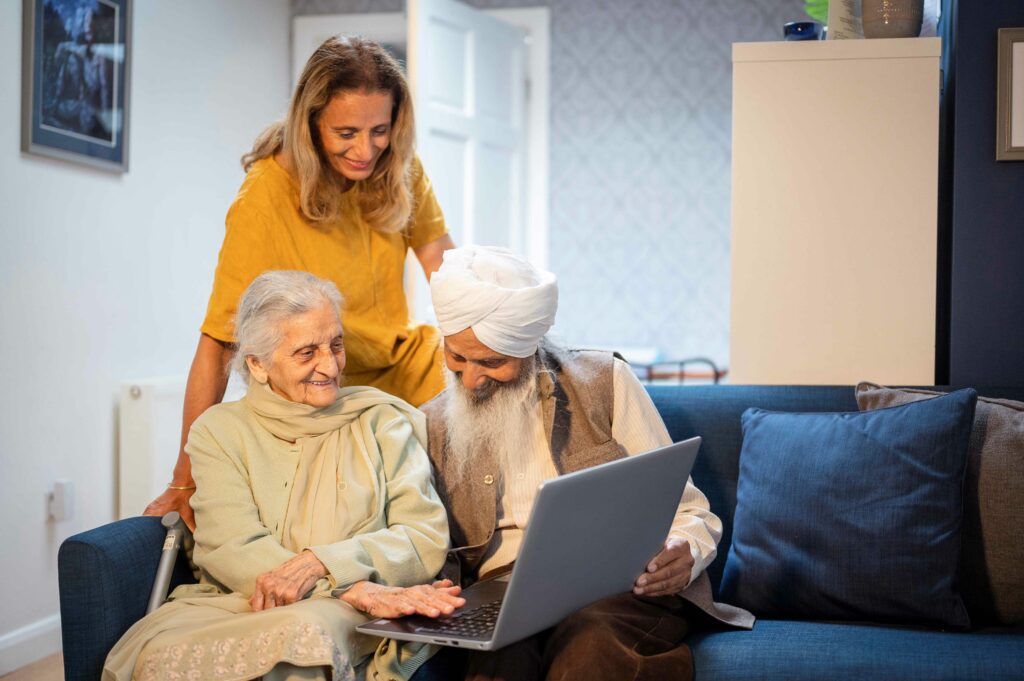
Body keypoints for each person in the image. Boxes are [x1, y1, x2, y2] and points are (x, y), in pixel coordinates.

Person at [145, 36, 455, 529]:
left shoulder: (398, 166)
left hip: (398, 362)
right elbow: (219, 341)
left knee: (526, 385)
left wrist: (480, 344)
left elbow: (443, 264)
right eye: (346, 132)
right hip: (324, 382)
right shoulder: (265, 195)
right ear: (310, 125)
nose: (366, 149)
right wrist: (184, 479)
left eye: (380, 129)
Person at [104, 271, 464, 681]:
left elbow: (424, 537)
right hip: (246, 602)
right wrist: (349, 586)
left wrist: (322, 564)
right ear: (258, 365)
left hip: (357, 612)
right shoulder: (218, 432)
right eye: (307, 352)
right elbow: (232, 545)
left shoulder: (381, 421)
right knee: (161, 655)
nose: (329, 365)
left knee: (311, 631)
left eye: (336, 344)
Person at [420, 246, 754, 681]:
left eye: (491, 361)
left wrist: (686, 552)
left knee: (590, 648)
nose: (471, 379)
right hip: (503, 595)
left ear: (529, 346)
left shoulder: (604, 381)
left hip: (617, 586)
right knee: (498, 663)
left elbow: (690, 512)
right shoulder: (431, 422)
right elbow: (422, 538)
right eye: (457, 357)